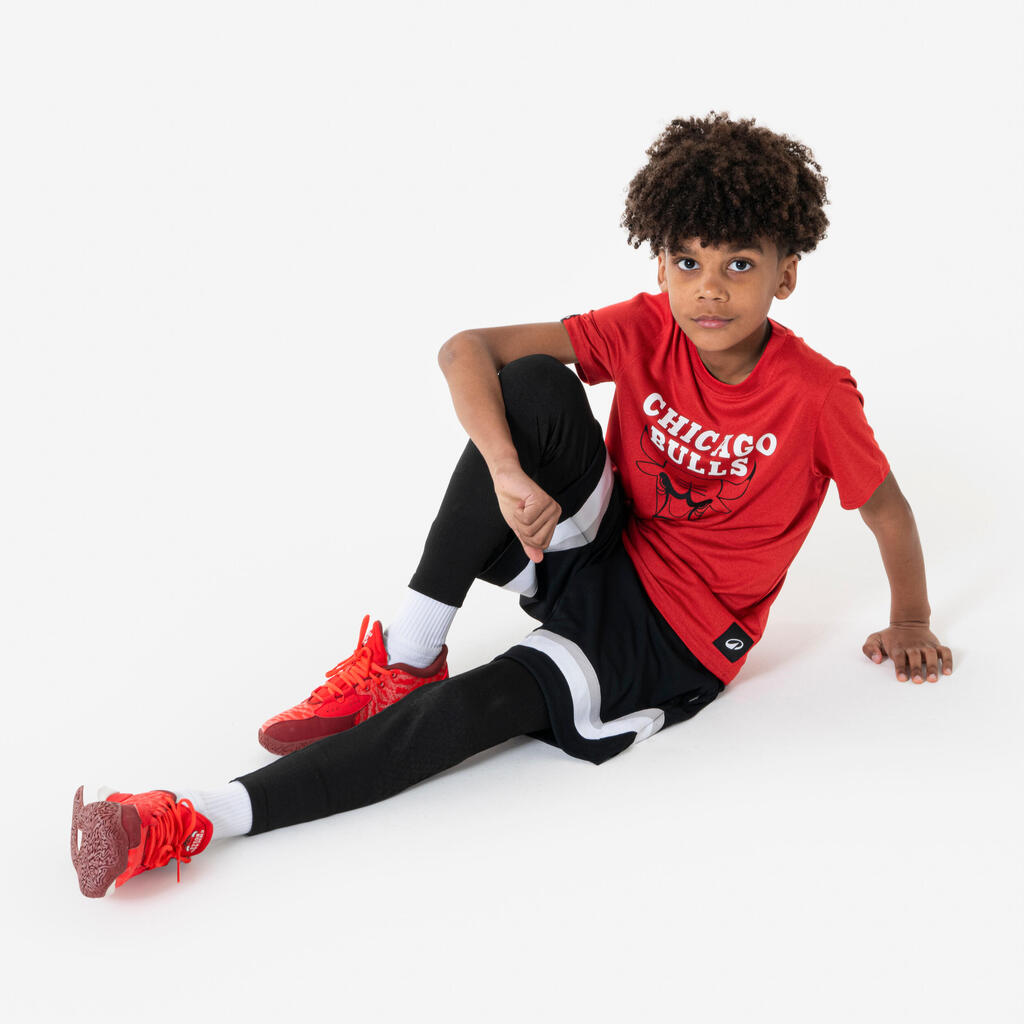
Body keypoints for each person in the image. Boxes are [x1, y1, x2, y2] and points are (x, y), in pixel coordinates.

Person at [70, 111, 954, 899]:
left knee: (481, 708)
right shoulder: (648, 325)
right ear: (660, 263)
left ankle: (191, 816)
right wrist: (506, 472)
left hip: (669, 639)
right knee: (530, 384)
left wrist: (911, 619)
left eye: (739, 265)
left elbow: (888, 511)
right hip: (606, 549)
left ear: (786, 276)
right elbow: (467, 349)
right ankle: (408, 654)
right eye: (687, 262)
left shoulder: (815, 394)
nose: (709, 289)